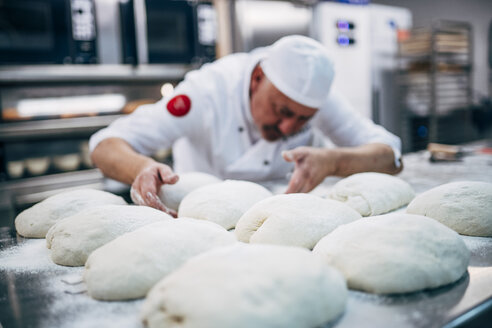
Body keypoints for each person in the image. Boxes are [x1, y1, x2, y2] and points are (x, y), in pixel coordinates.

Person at [90, 35, 403, 216]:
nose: (287, 126)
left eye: (303, 119)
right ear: (256, 79)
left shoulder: (313, 97)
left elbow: (390, 154)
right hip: (200, 220)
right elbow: (106, 143)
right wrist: (141, 168)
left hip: (280, 220)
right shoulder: (207, 92)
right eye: (281, 110)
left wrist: (334, 161)